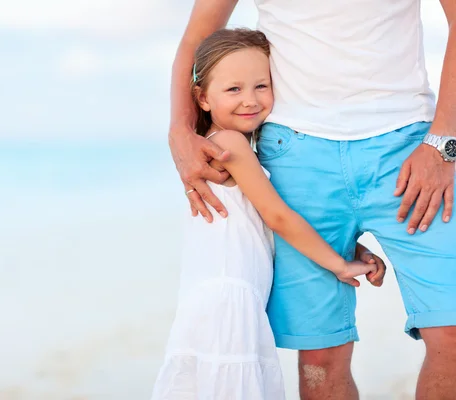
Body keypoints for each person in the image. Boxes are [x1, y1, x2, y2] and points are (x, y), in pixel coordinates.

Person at [168, 0, 456, 399]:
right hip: (294, 155)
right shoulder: (235, 150)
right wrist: (179, 132)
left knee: (453, 332)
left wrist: (442, 143)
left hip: (409, 146)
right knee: (320, 359)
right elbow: (198, 33)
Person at [151, 29, 386, 400]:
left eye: (262, 86)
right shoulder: (228, 145)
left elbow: (265, 225)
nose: (250, 100)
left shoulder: (226, 148)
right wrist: (338, 266)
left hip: (220, 298)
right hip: (229, 297)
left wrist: (350, 249)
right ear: (202, 98)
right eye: (234, 89)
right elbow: (277, 216)